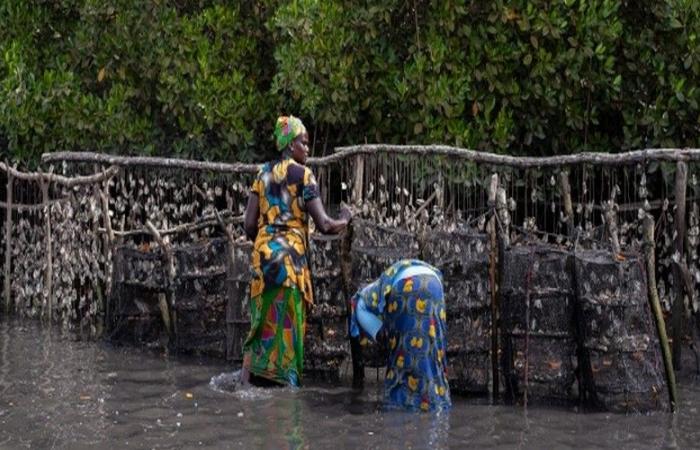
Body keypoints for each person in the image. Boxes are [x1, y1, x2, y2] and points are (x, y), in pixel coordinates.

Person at [239, 115, 351, 388]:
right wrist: (346, 219)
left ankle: (245, 385)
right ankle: (287, 401)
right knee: (288, 333)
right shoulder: (304, 176)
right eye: (304, 142)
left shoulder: (262, 173)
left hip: (262, 264)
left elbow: (248, 224)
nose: (307, 149)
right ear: (290, 145)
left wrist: (267, 244)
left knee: (258, 329)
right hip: (289, 267)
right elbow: (324, 224)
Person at [349, 259, 451, 412]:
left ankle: (401, 404)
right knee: (433, 349)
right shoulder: (392, 276)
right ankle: (436, 403)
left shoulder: (368, 293)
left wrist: (379, 333)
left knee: (402, 356)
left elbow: (358, 306)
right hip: (435, 286)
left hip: (405, 286)